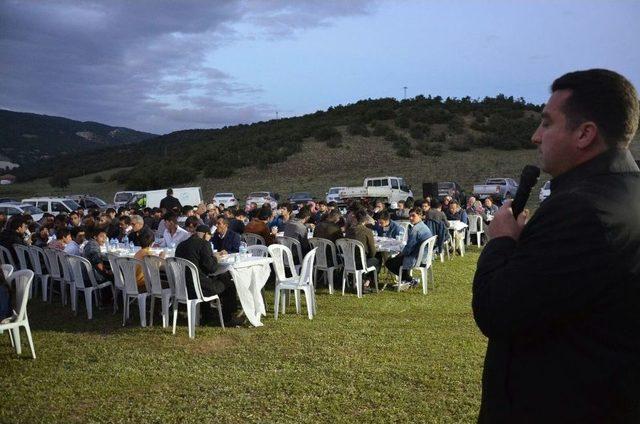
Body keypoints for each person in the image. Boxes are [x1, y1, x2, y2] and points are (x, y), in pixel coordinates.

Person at [472, 69, 640, 422]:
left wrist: (501, 241)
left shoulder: (579, 209)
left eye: (546, 123)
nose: (536, 136)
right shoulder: (627, 193)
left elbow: (497, 310)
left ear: (584, 134)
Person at [174, 222, 241, 326]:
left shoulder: (181, 245)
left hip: (182, 287)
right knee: (228, 283)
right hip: (199, 289)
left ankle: (207, 315)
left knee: (210, 279)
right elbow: (212, 269)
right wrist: (215, 258)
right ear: (206, 235)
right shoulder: (204, 244)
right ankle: (228, 318)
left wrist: (210, 255)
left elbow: (196, 258)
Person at [385, 207, 433, 286]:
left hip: (417, 259)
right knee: (398, 260)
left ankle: (409, 279)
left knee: (389, 262)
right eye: (409, 216)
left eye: (413, 216)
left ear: (420, 215)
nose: (410, 218)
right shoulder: (424, 226)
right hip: (426, 257)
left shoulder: (415, 230)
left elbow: (408, 249)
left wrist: (400, 254)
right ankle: (407, 279)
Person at [345, 209, 379, 290]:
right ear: (366, 219)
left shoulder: (349, 230)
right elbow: (372, 252)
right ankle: (368, 281)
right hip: (361, 263)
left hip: (348, 261)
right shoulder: (367, 231)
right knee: (377, 260)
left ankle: (362, 280)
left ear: (355, 218)